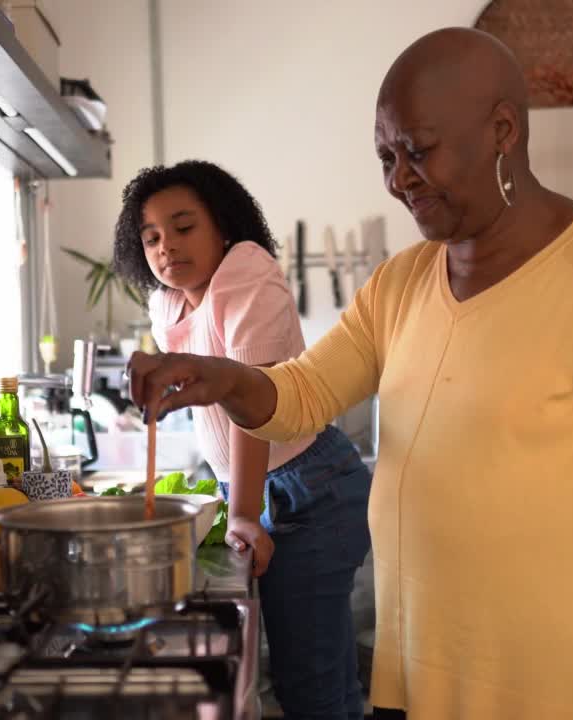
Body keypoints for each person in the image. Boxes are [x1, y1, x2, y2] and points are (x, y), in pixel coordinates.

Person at [127, 29, 573, 720]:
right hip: (420, 682)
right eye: (386, 156)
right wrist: (223, 377)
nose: (398, 179)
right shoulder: (402, 282)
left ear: (502, 130)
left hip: (556, 690)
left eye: (418, 150)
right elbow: (304, 393)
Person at [112, 160, 373, 719]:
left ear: (223, 226)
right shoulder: (167, 303)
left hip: (309, 489)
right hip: (256, 488)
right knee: (309, 682)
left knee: (313, 689)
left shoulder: (246, 271)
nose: (166, 247)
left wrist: (244, 512)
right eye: (152, 237)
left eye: (184, 228)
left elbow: (255, 403)